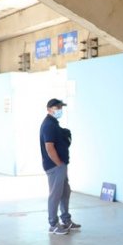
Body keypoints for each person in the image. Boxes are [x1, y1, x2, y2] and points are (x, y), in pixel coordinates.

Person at [40, 98, 81, 235]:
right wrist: (58, 164)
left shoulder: (54, 123)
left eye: (61, 107)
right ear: (49, 109)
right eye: (57, 107)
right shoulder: (48, 125)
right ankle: (53, 224)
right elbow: (49, 147)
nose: (60, 110)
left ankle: (66, 220)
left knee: (65, 192)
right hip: (55, 166)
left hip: (60, 165)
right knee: (55, 195)